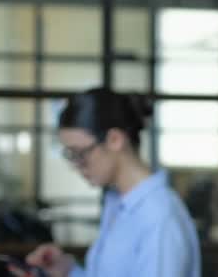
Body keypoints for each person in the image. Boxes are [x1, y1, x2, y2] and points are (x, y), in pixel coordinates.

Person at [11, 88, 201, 277]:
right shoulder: (118, 202)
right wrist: (67, 271)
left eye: (80, 153)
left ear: (115, 139)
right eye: (70, 155)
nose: (76, 165)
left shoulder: (159, 217)